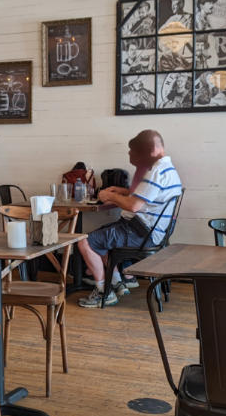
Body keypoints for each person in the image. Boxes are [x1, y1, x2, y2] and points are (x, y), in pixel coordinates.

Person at [78, 130, 182, 308]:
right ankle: (117, 283)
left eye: (133, 151)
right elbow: (146, 197)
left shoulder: (156, 172)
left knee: (85, 242)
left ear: (148, 151)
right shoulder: (168, 170)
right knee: (100, 239)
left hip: (141, 232)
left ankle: (105, 292)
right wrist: (122, 192)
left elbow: (133, 206)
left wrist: (107, 196)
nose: (129, 154)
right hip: (149, 231)